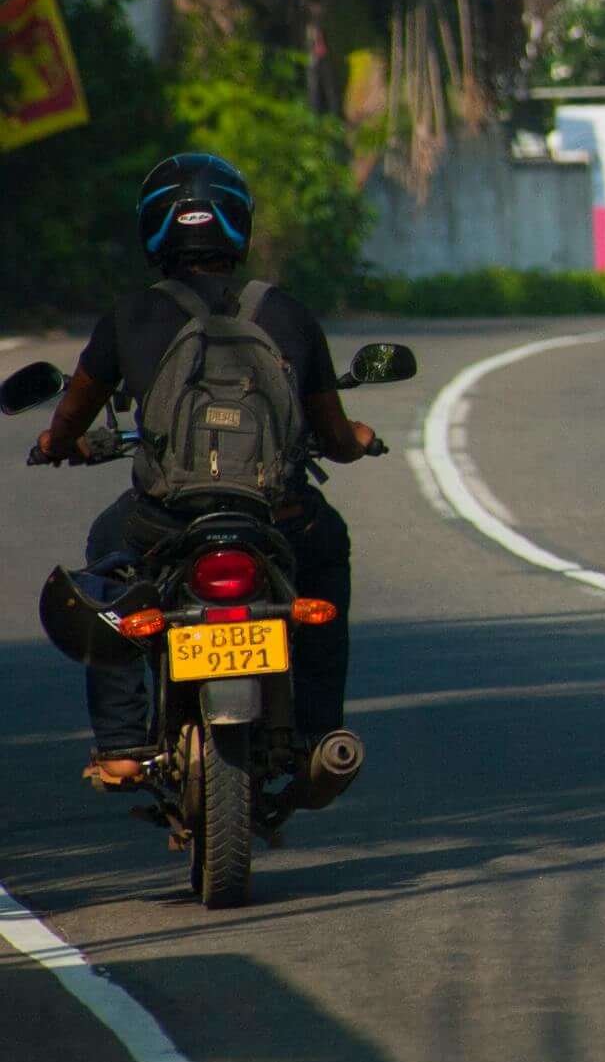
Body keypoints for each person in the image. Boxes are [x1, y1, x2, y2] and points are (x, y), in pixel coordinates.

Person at [22, 154, 374, 787]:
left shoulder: (131, 315)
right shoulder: (287, 313)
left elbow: (73, 414)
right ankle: (322, 732)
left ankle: (124, 745)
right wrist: (357, 441)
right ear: (238, 225)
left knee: (110, 568)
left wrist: (57, 440)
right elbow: (333, 433)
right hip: (275, 515)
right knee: (327, 550)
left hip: (164, 519)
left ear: (155, 229)